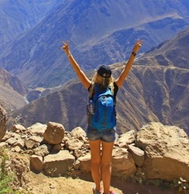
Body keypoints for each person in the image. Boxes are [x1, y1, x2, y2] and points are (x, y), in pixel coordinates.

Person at [61, 39, 143, 194]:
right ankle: (107, 191)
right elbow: (126, 70)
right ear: (110, 78)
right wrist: (134, 52)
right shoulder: (114, 88)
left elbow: (79, 72)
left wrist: (68, 53)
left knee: (95, 161)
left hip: (93, 130)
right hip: (109, 131)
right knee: (106, 163)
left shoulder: (92, 89)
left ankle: (97, 189)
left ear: (97, 76)